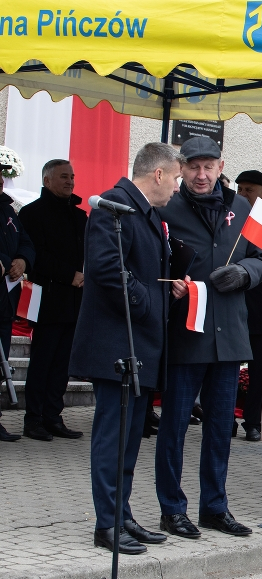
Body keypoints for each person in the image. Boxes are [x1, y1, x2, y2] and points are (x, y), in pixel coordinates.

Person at [69, 143, 184, 555]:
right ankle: (106, 524)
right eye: (176, 178)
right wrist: (149, 302)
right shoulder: (112, 206)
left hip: (141, 344)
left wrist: (167, 290)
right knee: (112, 439)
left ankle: (122, 515)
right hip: (117, 344)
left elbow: (142, 270)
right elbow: (105, 270)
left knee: (131, 438)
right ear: (158, 174)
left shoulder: (146, 212)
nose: (177, 187)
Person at [155, 136, 262, 539]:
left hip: (230, 335)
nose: (201, 175)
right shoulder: (166, 207)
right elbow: (153, 262)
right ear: (181, 169)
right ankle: (172, 509)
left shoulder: (243, 208)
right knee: (174, 428)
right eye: (193, 167)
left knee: (221, 428)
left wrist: (245, 273)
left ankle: (215, 507)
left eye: (209, 167)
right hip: (186, 333)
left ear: (222, 167)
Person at [17, 159, 87, 442]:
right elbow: (37, 255)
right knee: (42, 362)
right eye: (63, 177)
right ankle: (33, 419)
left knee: (62, 364)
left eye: (72, 176)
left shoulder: (79, 215)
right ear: (47, 181)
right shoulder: (32, 214)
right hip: (48, 300)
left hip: (75, 300)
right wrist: (70, 275)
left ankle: (53, 417)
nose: (70, 181)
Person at [235, 169, 262, 442]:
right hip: (234, 303)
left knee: (259, 370)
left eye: (248, 190)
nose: (242, 195)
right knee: (227, 367)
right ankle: (225, 419)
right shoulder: (232, 215)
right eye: (239, 189)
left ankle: (253, 421)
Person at [0, 162, 34, 442]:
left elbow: (25, 241)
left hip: (4, 301)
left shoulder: (8, 210)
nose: (1, 180)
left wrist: (22, 260)